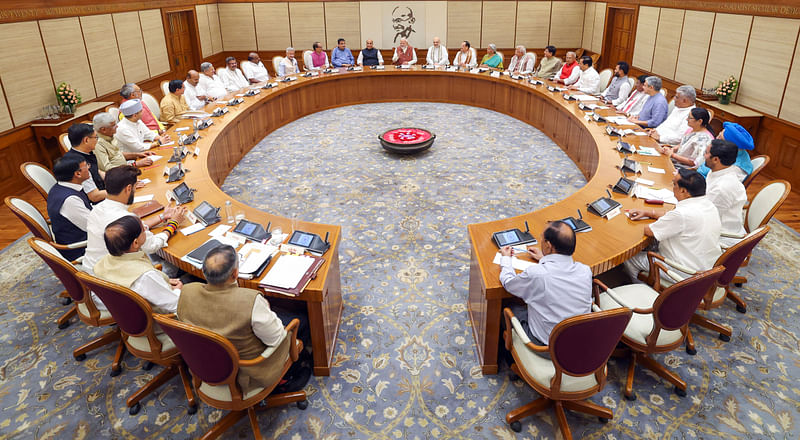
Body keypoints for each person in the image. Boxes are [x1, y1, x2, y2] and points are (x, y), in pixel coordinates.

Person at [178, 245, 311, 394]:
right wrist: (266, 309)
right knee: (301, 321)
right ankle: (286, 377)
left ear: (204, 272)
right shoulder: (250, 301)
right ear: (235, 274)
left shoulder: (187, 291)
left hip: (206, 365)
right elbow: (276, 338)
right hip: (248, 373)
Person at [499, 221, 592, 352]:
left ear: (548, 246)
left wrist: (506, 259)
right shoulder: (585, 271)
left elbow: (508, 283)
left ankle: (508, 358)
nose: (540, 241)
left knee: (509, 306)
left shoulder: (538, 274)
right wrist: (544, 258)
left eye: (541, 238)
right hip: (580, 343)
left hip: (547, 348)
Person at [83, 165, 186, 275]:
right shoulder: (125, 217)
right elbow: (152, 246)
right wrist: (173, 224)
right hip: (115, 277)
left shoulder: (97, 209)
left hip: (92, 271)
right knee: (172, 264)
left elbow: (134, 229)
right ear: (128, 189)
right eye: (135, 186)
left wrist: (162, 217)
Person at [624, 169, 721, 283]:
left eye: (674, 184)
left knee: (629, 257)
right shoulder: (708, 204)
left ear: (684, 191)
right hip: (705, 267)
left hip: (684, 272)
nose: (672, 187)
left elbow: (649, 231)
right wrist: (648, 213)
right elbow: (673, 217)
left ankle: (639, 287)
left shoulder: (682, 214)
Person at [93, 215, 182, 314]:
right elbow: (176, 305)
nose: (145, 229)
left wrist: (160, 281)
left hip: (126, 313)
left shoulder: (103, 262)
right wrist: (178, 290)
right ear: (135, 243)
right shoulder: (146, 276)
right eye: (143, 230)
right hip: (162, 319)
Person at [47, 156, 92, 261]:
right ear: (78, 174)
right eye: (86, 166)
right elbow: (95, 227)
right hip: (81, 249)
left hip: (83, 236)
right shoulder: (70, 200)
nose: (89, 168)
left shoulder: (60, 187)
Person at [704, 140, 748, 246]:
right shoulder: (719, 170)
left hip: (720, 235)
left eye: (706, 153)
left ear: (715, 159)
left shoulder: (722, 188)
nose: (704, 156)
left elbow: (705, 218)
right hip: (711, 219)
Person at [61, 123, 106, 203]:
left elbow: (98, 172)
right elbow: (94, 196)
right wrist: (119, 191)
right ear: (86, 140)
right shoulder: (78, 165)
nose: (97, 140)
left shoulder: (85, 153)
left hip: (101, 193)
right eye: (96, 137)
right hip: (93, 206)